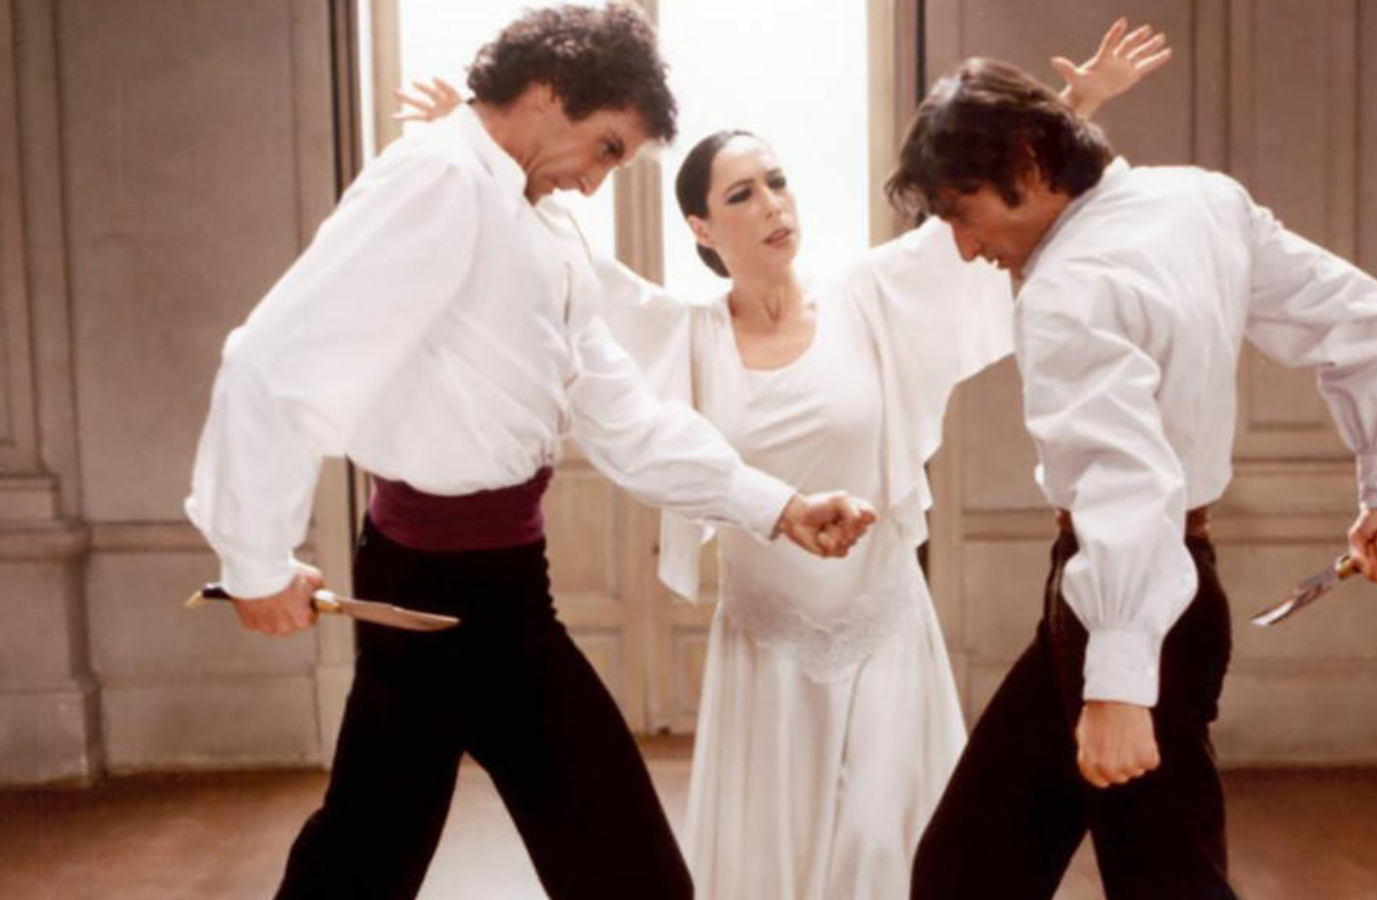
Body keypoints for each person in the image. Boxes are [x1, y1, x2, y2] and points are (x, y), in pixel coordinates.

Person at [398, 18, 1171, 900]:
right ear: (700, 224)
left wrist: (1077, 103)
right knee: (778, 871)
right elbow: (563, 266)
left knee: (893, 847)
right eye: (741, 195)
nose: (772, 204)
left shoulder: (871, 300)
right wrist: (476, 153)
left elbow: (989, 202)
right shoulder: (681, 335)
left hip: (884, 634)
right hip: (767, 649)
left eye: (777, 182)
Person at [184, 5, 874, 899]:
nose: (597, 183)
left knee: (627, 873)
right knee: (364, 862)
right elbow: (270, 363)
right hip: (417, 591)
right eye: (606, 149)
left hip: (511, 589)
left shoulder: (543, 228)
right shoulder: (436, 179)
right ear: (551, 94)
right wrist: (253, 561)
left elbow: (619, 411)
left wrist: (775, 505)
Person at [885, 57, 1377, 899]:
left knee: (1162, 884)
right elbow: (1365, 323)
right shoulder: (1202, 200)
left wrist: (1117, 686)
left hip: (1135, 604)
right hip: (1125, 593)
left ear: (1029, 170)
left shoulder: (1067, 291)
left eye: (963, 215)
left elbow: (1126, 488)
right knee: (968, 866)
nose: (964, 247)